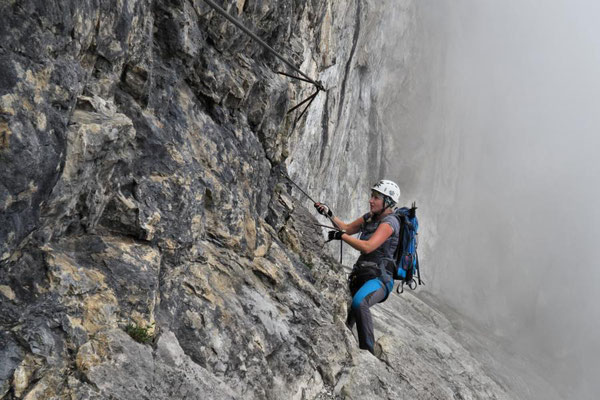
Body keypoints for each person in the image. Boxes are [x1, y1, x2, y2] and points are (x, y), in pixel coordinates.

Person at [315, 180, 401, 354]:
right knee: (346, 322)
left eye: (376, 198)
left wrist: (342, 237)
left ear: (388, 202)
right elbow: (346, 228)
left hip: (379, 279)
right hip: (360, 275)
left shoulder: (390, 223)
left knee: (360, 303)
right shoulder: (370, 217)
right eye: (372, 196)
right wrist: (329, 214)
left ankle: (368, 352)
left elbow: (368, 246)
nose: (371, 200)